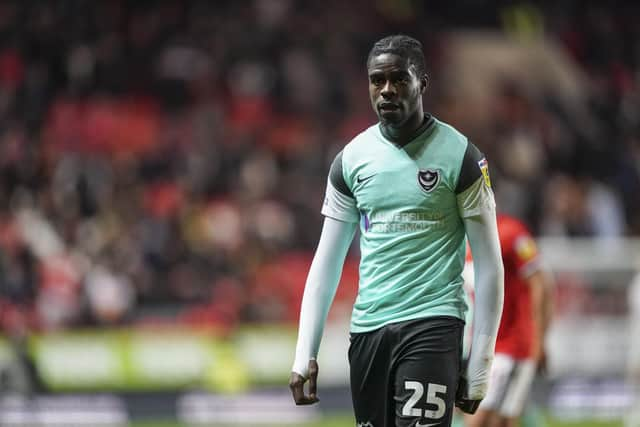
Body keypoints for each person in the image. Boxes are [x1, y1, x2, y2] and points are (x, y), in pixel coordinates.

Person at [288, 34, 504, 427]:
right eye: (377, 80)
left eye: (399, 79)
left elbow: (490, 264)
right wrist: (305, 354)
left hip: (434, 325)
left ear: (422, 81)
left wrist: (481, 362)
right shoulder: (350, 161)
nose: (386, 90)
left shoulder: (462, 157)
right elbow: (327, 263)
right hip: (368, 331)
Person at [463, 214, 554, 427]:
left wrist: (540, 339)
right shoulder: (462, 236)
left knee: (480, 416)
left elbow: (540, 283)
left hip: (509, 345)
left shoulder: (511, 233)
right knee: (502, 419)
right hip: (485, 344)